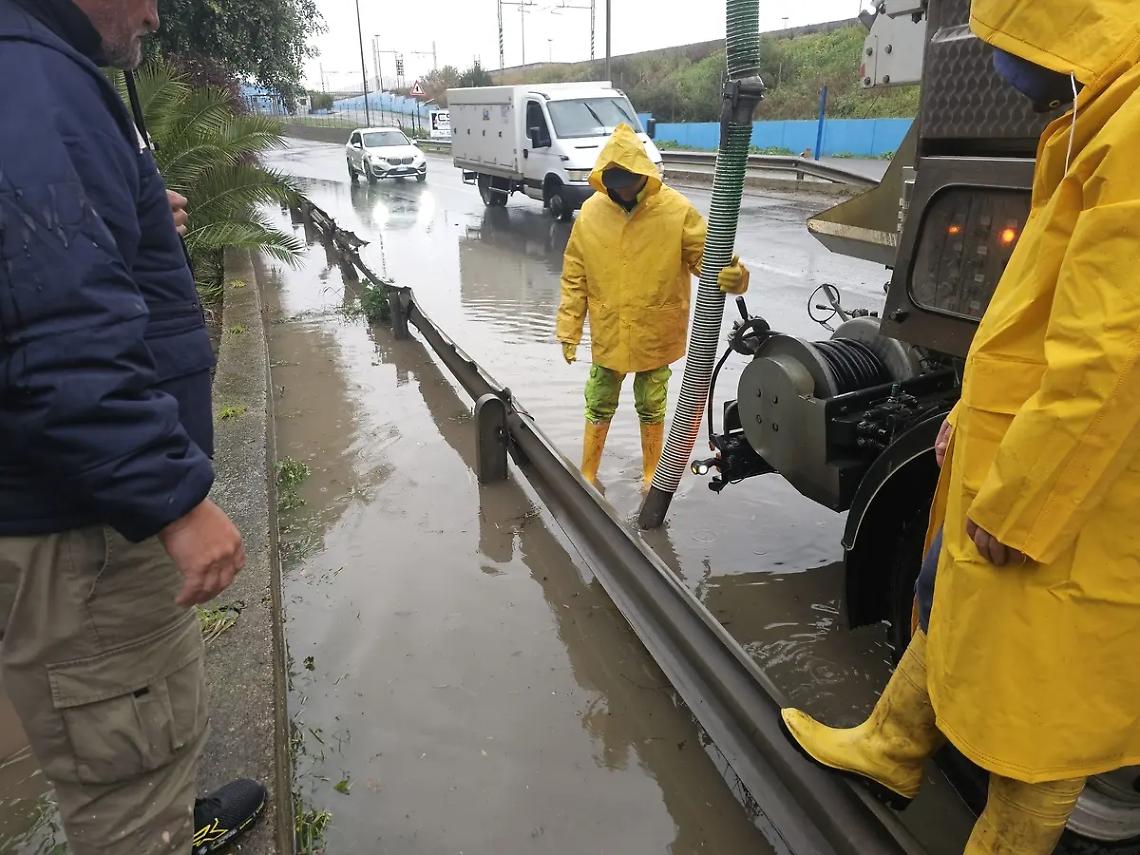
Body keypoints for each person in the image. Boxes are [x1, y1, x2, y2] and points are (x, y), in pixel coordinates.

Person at [780, 0, 1140, 851]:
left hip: (1075, 483)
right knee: (947, 592)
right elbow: (1043, 318)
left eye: (1005, 39)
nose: (994, 63)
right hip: (1017, 447)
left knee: (1046, 697)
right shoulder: (1095, 117)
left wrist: (1026, 501)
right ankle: (894, 746)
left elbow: (1112, 356)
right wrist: (971, 420)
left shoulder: (1132, 137)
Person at [0, 0, 267, 852]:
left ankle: (170, 812)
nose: (155, 13)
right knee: (125, 763)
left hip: (83, 502)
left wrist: (137, 208)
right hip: (87, 525)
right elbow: (54, 329)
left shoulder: (42, 70)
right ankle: (152, 825)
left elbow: (43, 257)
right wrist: (175, 501)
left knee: (130, 731)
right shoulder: (32, 80)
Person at [556, 123, 749, 489]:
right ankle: (588, 472)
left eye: (627, 182)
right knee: (598, 396)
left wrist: (735, 276)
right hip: (609, 327)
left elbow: (708, 259)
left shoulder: (676, 210)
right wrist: (569, 329)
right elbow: (574, 276)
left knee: (652, 400)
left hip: (655, 330)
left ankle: (652, 474)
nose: (622, 191)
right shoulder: (592, 213)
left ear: (642, 175)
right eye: (614, 185)